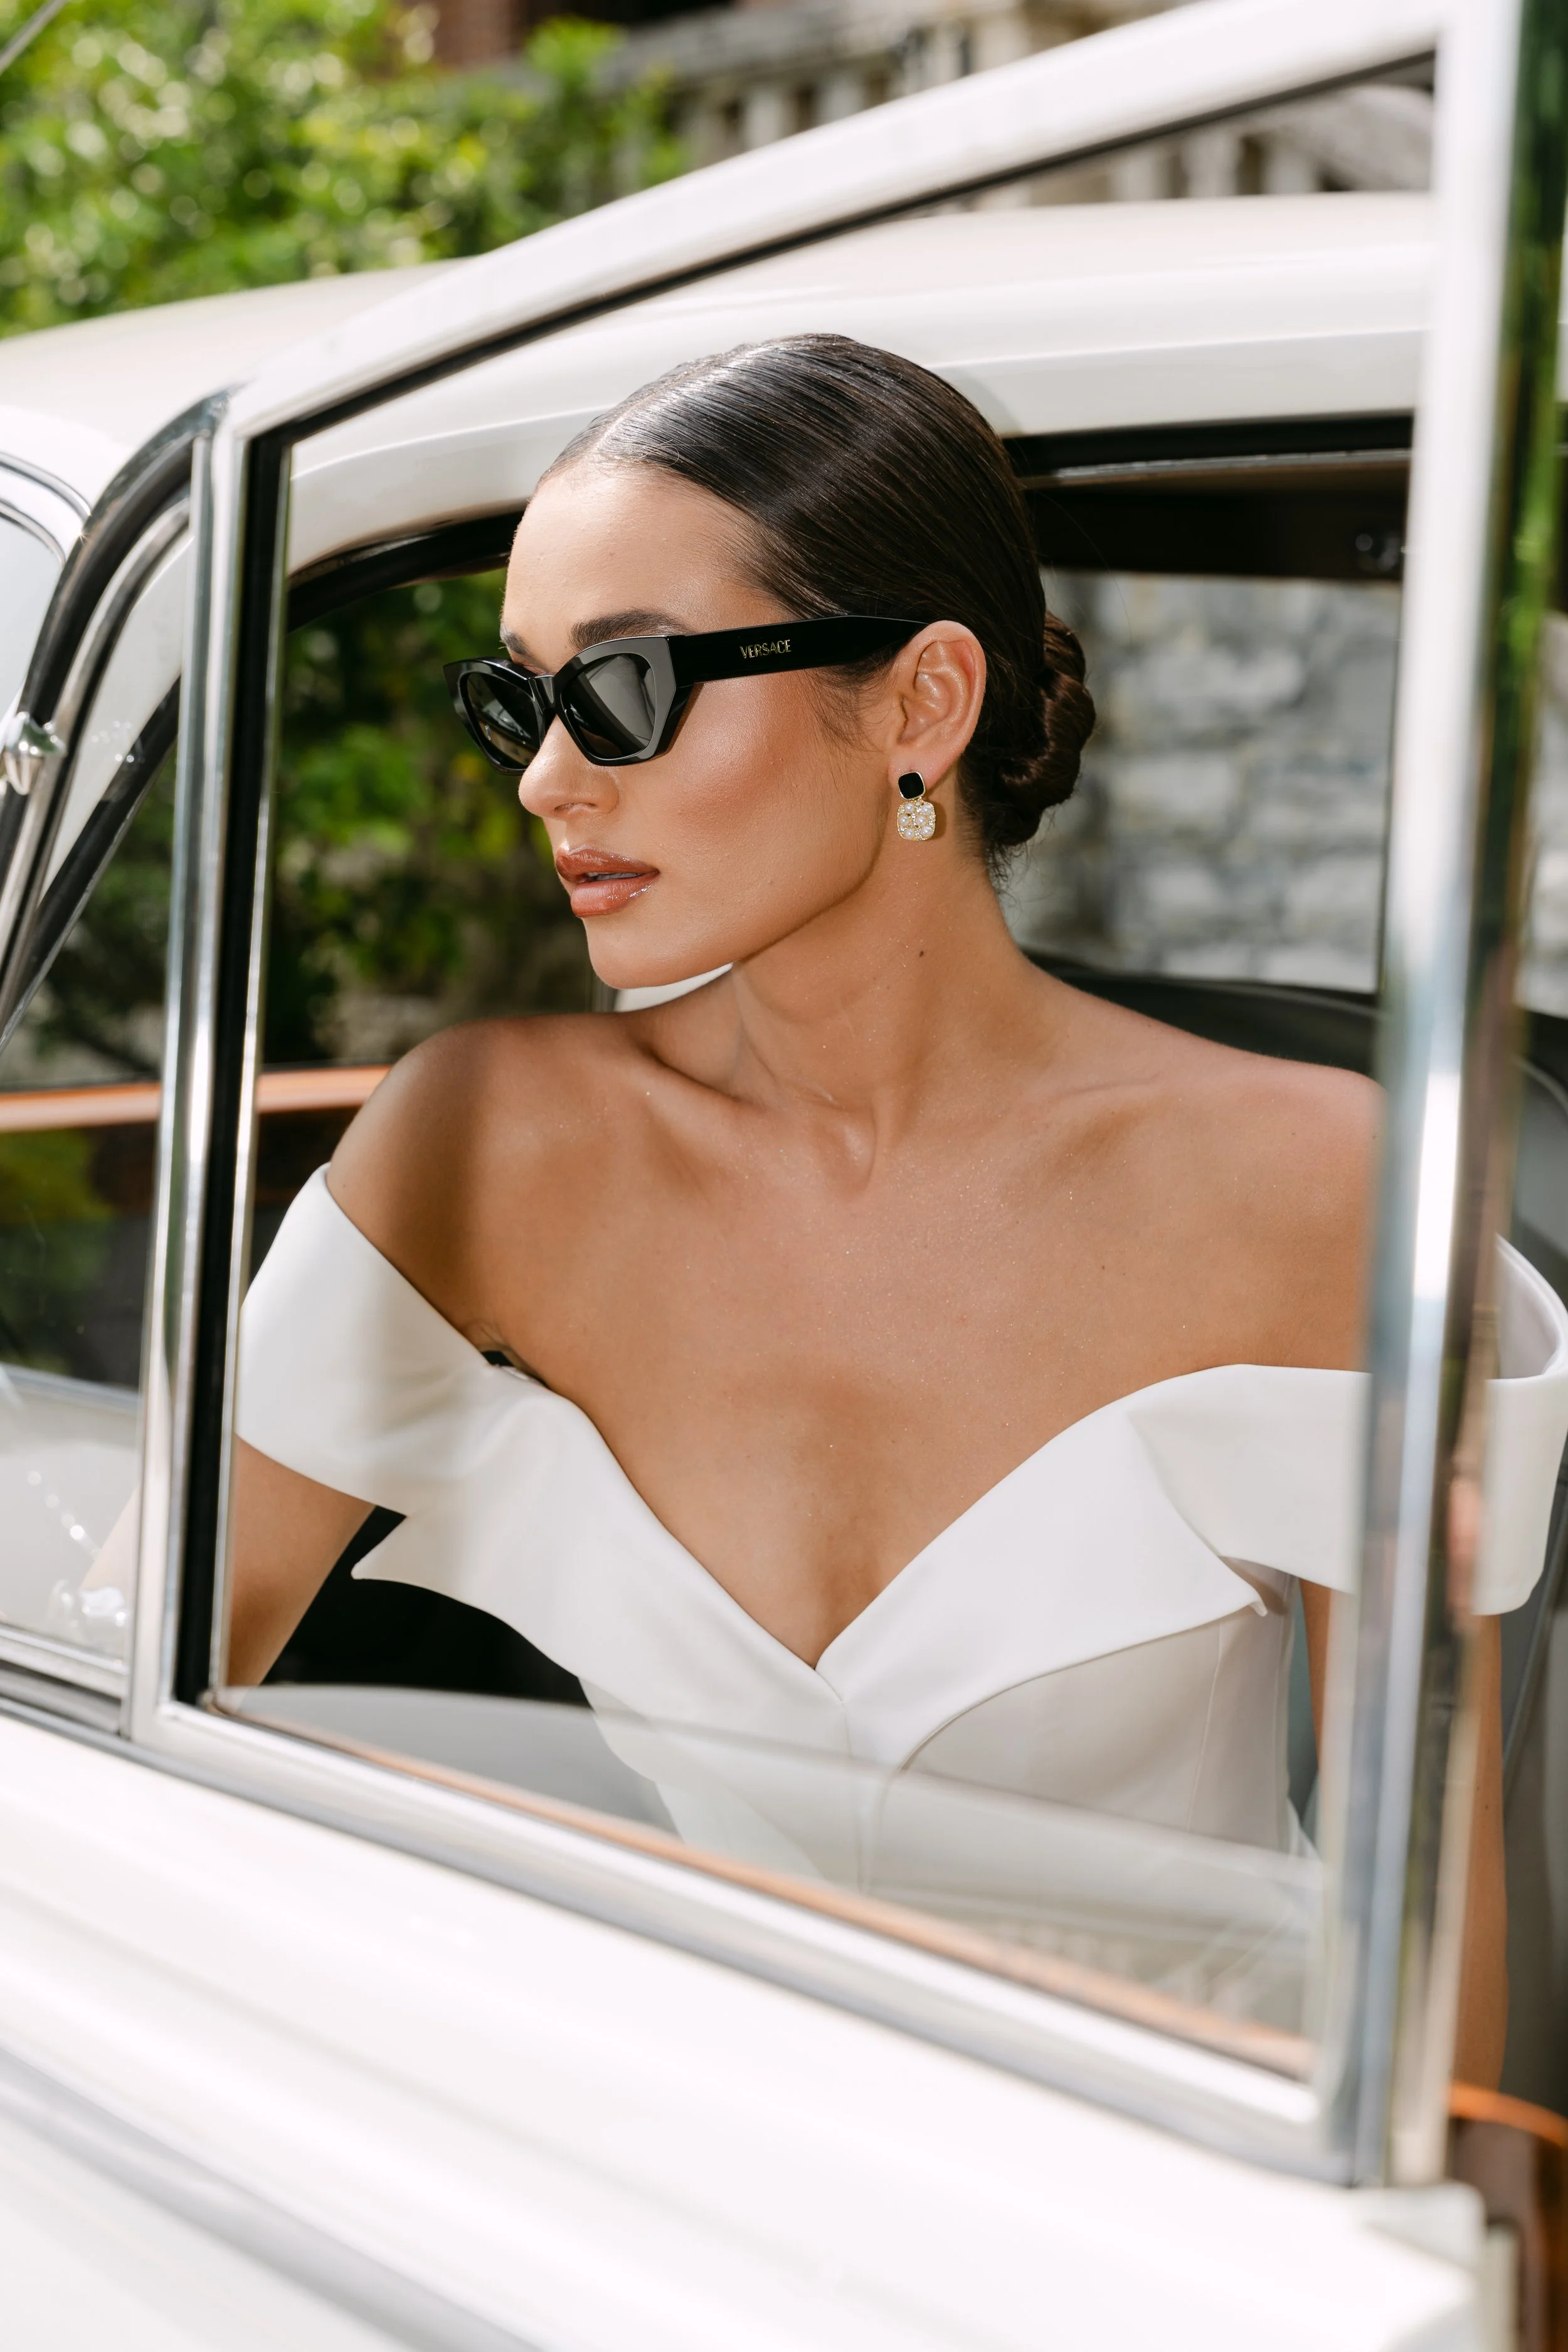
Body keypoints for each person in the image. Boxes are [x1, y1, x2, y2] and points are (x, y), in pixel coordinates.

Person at [228, 334, 1567, 2081]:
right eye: (519, 704)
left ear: (922, 705)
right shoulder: (482, 1148)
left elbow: (1435, 1957)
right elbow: (133, 1675)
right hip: (679, 2150)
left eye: (622, 690)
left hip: (1197, 2193)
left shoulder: (1317, 1192)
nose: (546, 780)